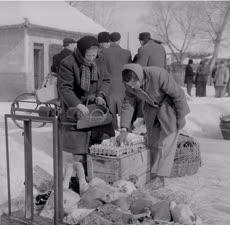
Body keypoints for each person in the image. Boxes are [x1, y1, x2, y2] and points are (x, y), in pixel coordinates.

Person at [116, 64, 190, 189]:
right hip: (151, 110)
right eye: (129, 84)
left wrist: (181, 116)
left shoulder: (158, 75)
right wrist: (124, 128)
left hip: (170, 108)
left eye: (134, 83)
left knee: (166, 144)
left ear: (139, 76)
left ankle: (161, 178)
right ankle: (153, 174)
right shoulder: (129, 84)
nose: (132, 86)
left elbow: (178, 94)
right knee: (153, 142)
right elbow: (128, 104)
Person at [58, 35, 115, 193]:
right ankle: (79, 181)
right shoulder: (68, 63)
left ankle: (95, 179)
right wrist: (77, 104)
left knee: (97, 146)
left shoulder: (100, 62)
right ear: (81, 52)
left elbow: (107, 80)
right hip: (76, 107)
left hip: (95, 107)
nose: (92, 59)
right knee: (79, 147)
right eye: (88, 56)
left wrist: (100, 94)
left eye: (94, 55)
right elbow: (65, 88)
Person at [103, 32, 132, 129]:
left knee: (110, 110)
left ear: (109, 40)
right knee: (124, 109)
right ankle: (125, 128)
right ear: (119, 40)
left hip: (108, 85)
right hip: (122, 85)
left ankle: (113, 129)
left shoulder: (103, 52)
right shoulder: (127, 53)